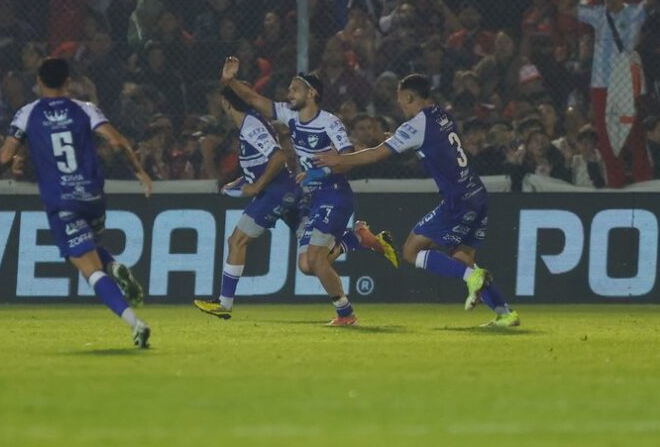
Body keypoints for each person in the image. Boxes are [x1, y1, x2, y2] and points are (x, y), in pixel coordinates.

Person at [315, 74, 521, 328]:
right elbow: (434, 143)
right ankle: (505, 312)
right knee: (462, 257)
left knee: (411, 251)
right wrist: (400, 138)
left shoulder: (415, 125)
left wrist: (340, 161)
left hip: (457, 200)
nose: (399, 104)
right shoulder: (442, 115)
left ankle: (473, 277)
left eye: (400, 99)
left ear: (409, 97)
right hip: (477, 194)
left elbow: (375, 155)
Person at [218, 57, 398, 326]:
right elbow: (254, 99)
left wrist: (321, 171)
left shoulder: (330, 123)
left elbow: (347, 157)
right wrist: (229, 80)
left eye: (294, 89)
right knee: (307, 265)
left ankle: (346, 314)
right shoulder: (290, 116)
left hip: (335, 195)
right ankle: (357, 239)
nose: (288, 94)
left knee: (314, 258)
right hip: (314, 198)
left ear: (311, 93)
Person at [0, 57, 154, 348]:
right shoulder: (86, 109)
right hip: (92, 196)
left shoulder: (28, 113)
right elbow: (117, 142)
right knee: (90, 247)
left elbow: (5, 157)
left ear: (39, 82)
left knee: (87, 267)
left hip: (61, 199)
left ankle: (135, 323)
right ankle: (114, 265)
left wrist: (20, 158)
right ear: (68, 82)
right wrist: (140, 172)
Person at [192, 85, 300, 320]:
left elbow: (279, 157)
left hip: (275, 192)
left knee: (237, 240)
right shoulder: (251, 124)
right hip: (284, 191)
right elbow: (261, 162)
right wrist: (241, 181)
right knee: (313, 252)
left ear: (226, 103)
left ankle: (224, 304)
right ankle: (362, 241)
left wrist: (256, 186)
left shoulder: (250, 126)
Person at [560, 0, 657, 187]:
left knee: (634, 134)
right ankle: (616, 184)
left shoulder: (634, 12)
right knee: (606, 138)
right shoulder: (598, 14)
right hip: (601, 83)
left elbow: (652, 1)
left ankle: (643, 182)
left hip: (625, 82)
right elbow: (566, 6)